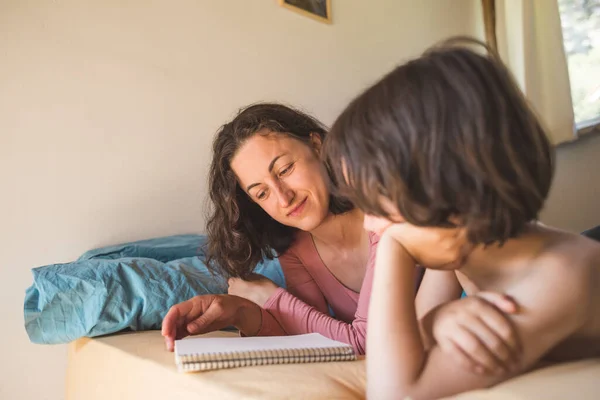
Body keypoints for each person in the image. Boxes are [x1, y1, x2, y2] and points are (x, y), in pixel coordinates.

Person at [322, 37, 600, 400]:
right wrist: (440, 320)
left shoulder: (559, 277)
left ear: (451, 201)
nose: (369, 225)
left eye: (378, 211)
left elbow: (395, 393)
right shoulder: (458, 252)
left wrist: (392, 246)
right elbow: (411, 338)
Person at [161, 103, 521, 374]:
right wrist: (241, 311)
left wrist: (272, 296)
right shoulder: (296, 249)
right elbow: (315, 336)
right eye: (261, 193)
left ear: (317, 146)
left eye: (285, 170)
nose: (283, 198)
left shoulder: (383, 213)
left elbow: (363, 342)